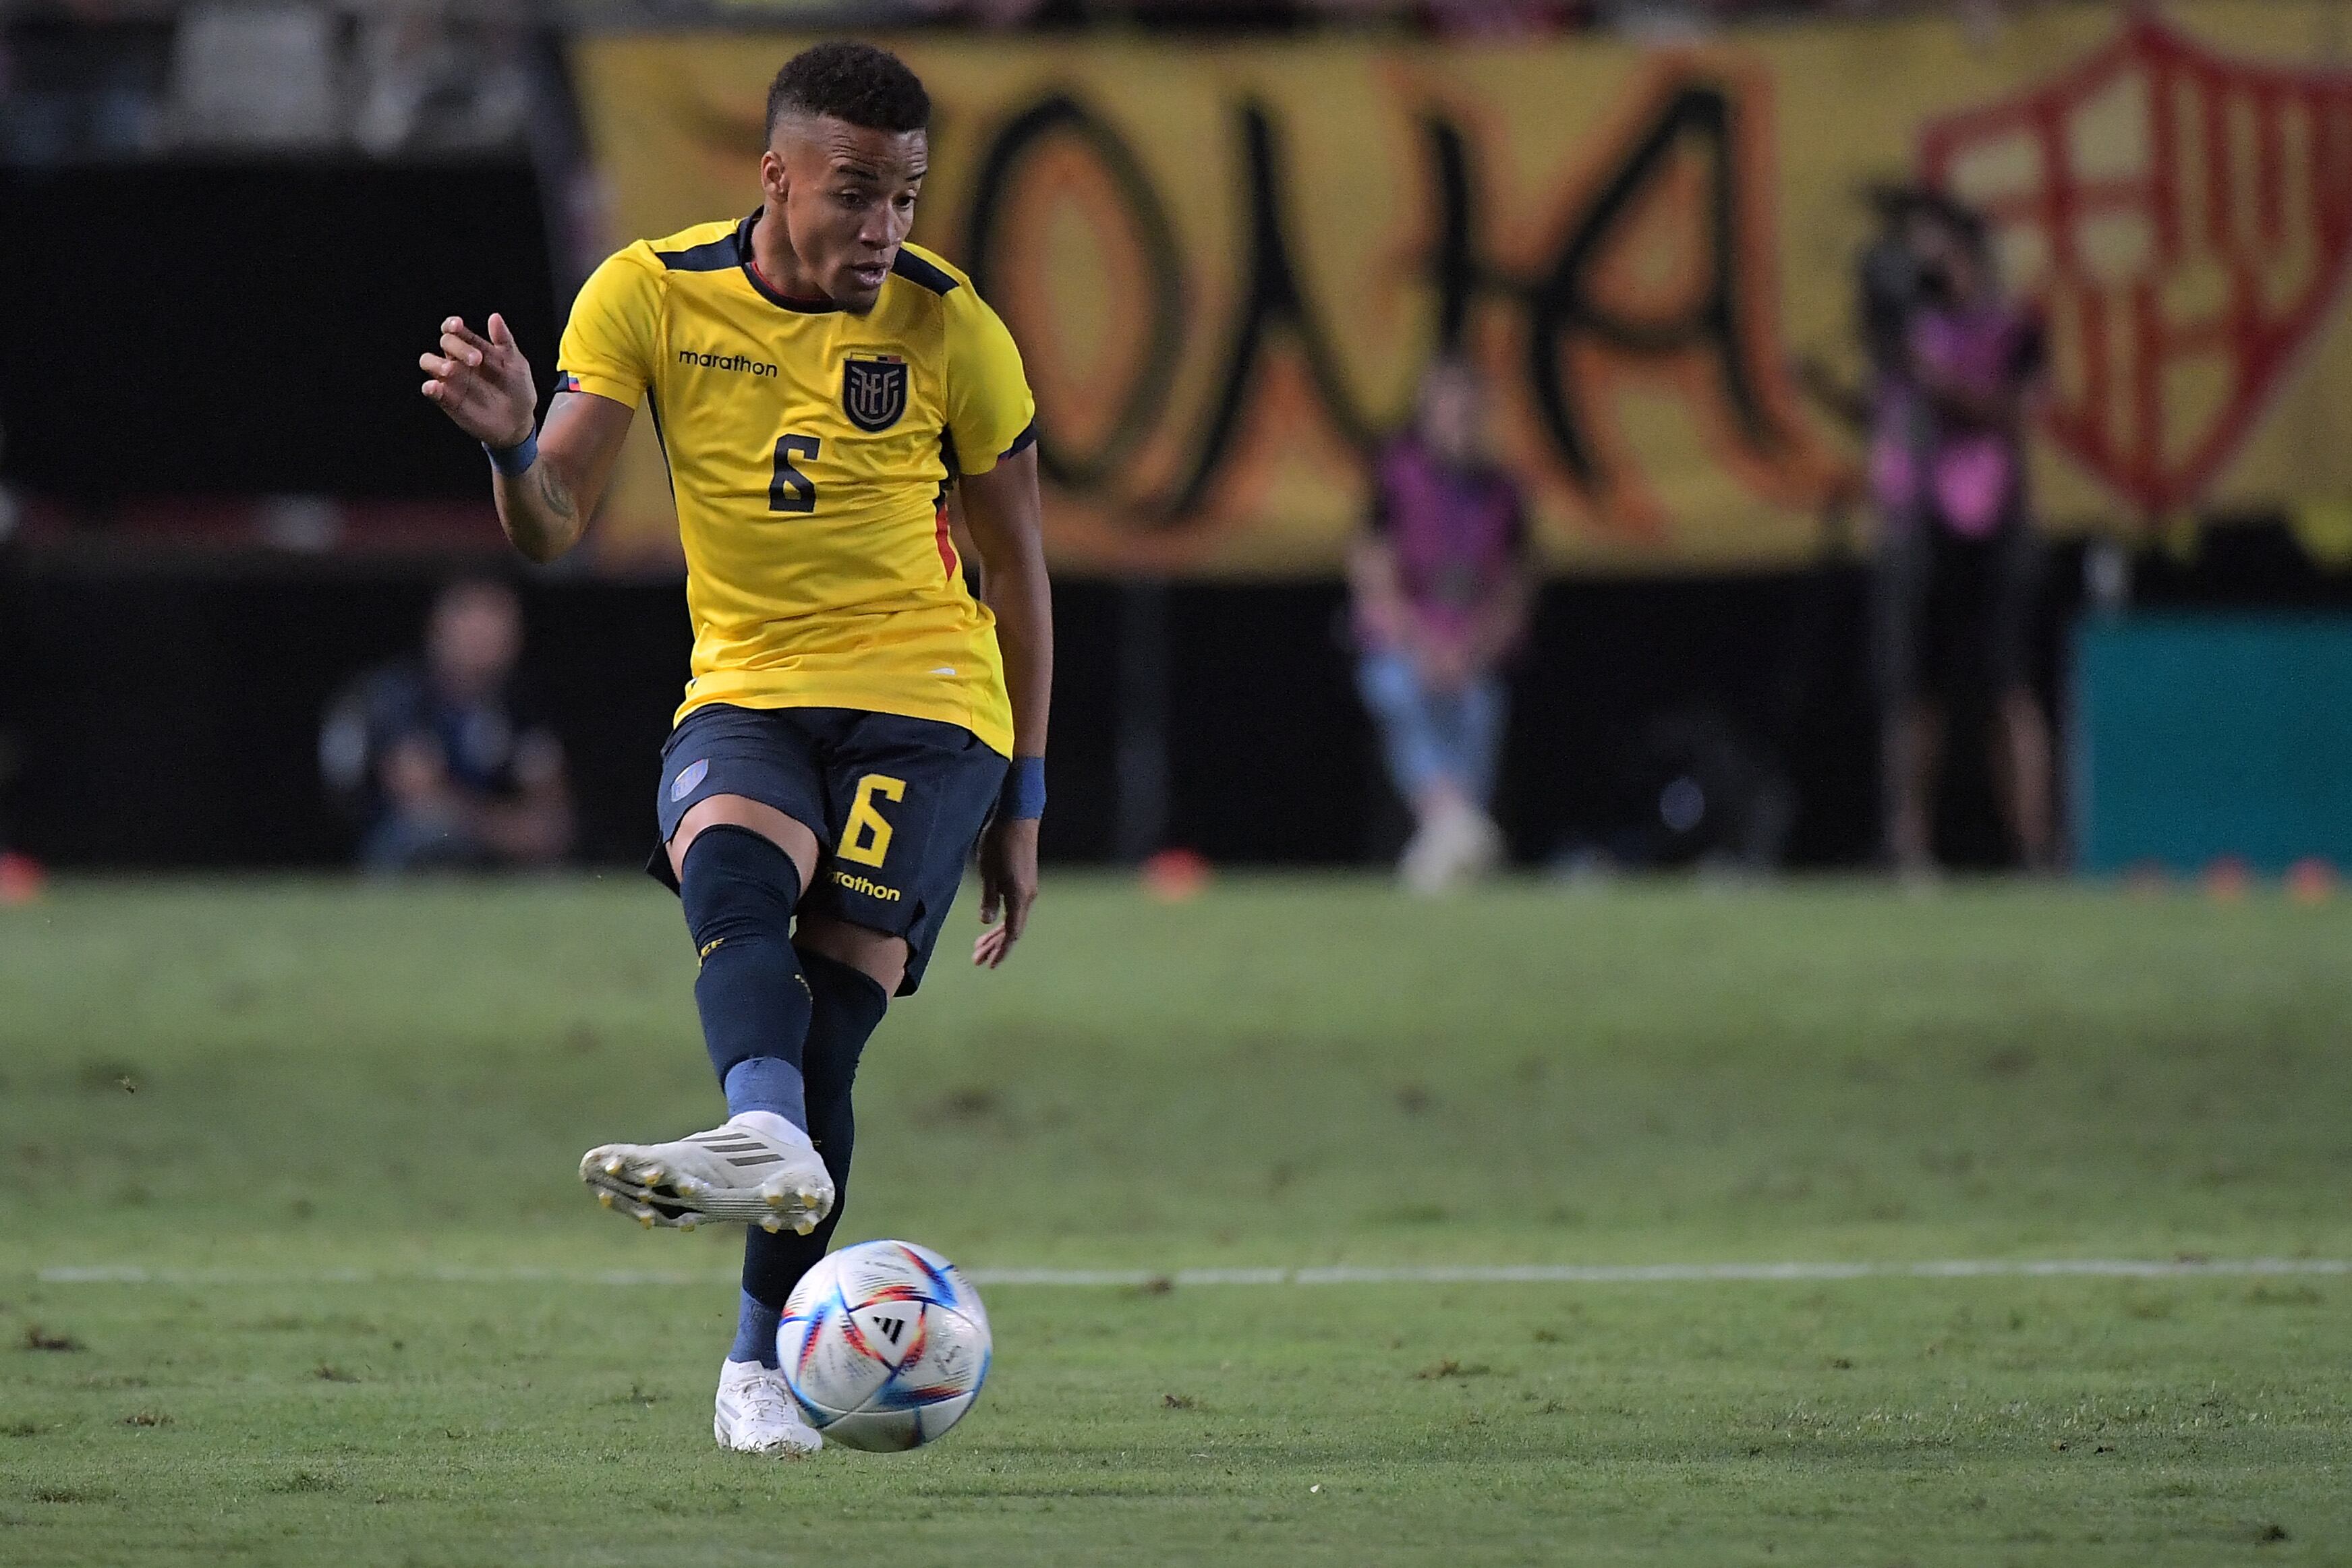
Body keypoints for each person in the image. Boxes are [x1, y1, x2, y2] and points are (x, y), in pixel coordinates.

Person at [417, 42, 1051, 1457]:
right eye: (854, 193)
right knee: (734, 881)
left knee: (827, 1029)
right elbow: (554, 526)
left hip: (931, 704)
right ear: (775, 177)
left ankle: (759, 1353)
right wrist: (515, 454)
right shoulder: (648, 292)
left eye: (905, 195)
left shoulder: (955, 326)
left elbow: (1019, 569)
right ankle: (761, 1153)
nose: (883, 227)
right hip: (751, 688)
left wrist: (1025, 798)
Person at [1866, 200, 2054, 875]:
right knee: (1914, 694)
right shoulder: (1907, 333)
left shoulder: (2010, 328)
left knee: (2008, 688)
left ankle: (2032, 848)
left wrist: (1935, 378)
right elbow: (1888, 420)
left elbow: (2012, 412)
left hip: (1994, 522)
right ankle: (1909, 847)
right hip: (1920, 524)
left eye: (1935, 253)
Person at [1348, 357, 1534, 894]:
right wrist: (1422, 643)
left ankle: (1447, 838)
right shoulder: (1395, 477)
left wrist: (1470, 647)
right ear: (1426, 416)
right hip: (1407, 641)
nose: (1457, 424)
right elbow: (1372, 568)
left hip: (1473, 648)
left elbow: (1516, 585)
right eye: (1447, 412)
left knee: (1479, 706)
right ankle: (1453, 823)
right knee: (1397, 689)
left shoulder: (1503, 490)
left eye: (1467, 413)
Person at [320, 576, 573, 873]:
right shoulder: (398, 697)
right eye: (472, 626)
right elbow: (422, 800)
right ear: (438, 629)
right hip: (400, 851)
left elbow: (551, 815)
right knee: (430, 834)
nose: (484, 640)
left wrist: (530, 832)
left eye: (497, 627)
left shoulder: (520, 708)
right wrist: (510, 830)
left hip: (489, 851)